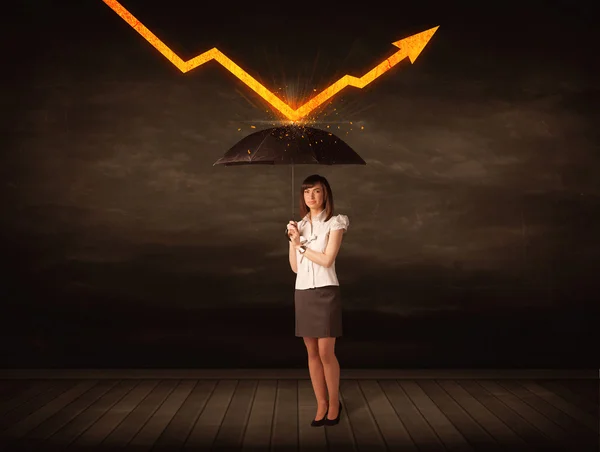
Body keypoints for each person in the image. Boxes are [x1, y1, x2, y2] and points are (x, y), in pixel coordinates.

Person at [286, 174, 349, 427]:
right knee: (311, 352)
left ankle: (334, 403)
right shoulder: (298, 226)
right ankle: (321, 403)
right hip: (303, 292)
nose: (311, 196)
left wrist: (301, 246)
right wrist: (293, 241)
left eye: (317, 191)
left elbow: (327, 260)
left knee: (325, 352)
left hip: (325, 292)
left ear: (326, 194)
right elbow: (294, 269)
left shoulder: (336, 222)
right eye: (306, 192)